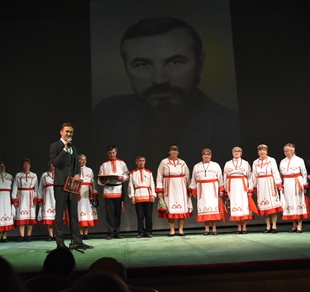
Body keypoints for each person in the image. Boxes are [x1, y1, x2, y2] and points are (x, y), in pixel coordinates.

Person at [93, 16, 240, 171]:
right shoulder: (106, 115)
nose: (159, 79)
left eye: (174, 62)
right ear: (126, 68)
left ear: (200, 64)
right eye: (143, 64)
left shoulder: (231, 129)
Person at [49, 123, 92, 250]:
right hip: (61, 183)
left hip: (72, 183)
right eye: (67, 131)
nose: (69, 134)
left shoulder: (74, 147)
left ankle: (77, 240)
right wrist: (64, 149)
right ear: (61, 132)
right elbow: (55, 162)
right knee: (60, 213)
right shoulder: (55, 146)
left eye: (71, 132)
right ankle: (60, 243)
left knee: (73, 213)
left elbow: (76, 165)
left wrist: (78, 174)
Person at [155, 144, 192, 237]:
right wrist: (159, 190)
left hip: (181, 188)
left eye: (175, 150)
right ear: (169, 152)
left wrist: (189, 188)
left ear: (178, 152)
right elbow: (159, 176)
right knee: (170, 208)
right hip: (169, 187)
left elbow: (187, 176)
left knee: (181, 209)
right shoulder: (164, 162)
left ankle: (181, 230)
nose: (174, 151)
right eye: (172, 150)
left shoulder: (182, 163)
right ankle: (172, 230)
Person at [98, 145, 130, 240]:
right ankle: (111, 233)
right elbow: (99, 179)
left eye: (113, 152)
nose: (112, 154)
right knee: (110, 213)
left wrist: (122, 178)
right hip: (108, 190)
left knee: (117, 212)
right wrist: (104, 180)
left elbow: (127, 175)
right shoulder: (104, 164)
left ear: (116, 152)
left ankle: (117, 232)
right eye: (110, 153)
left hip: (118, 189)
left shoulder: (122, 163)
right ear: (107, 153)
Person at [189, 148, 224, 235]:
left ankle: (214, 228)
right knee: (204, 208)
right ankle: (206, 228)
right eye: (205, 154)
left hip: (213, 189)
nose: (207, 156)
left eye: (208, 154)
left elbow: (221, 179)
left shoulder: (215, 165)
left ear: (211, 156)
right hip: (202, 190)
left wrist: (221, 189)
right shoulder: (196, 166)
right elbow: (193, 179)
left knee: (213, 208)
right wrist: (194, 191)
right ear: (202, 156)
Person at [250, 144, 283, 233]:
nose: (262, 152)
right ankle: (268, 226)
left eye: (264, 150)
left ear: (267, 151)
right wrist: (253, 187)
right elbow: (254, 175)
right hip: (261, 184)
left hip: (270, 183)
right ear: (258, 152)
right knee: (265, 205)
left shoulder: (271, 160)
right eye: (260, 150)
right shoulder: (255, 162)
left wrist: (278, 184)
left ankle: (274, 226)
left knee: (272, 204)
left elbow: (275, 172)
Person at [279, 143, 310, 233]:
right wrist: (280, 185)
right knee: (289, 202)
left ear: (293, 151)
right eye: (285, 151)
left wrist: (304, 185)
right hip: (287, 184)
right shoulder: (282, 161)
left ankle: (300, 225)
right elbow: (281, 174)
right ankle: (294, 224)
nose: (286, 152)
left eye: (288, 151)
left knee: (298, 202)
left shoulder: (299, 160)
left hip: (296, 183)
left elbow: (304, 173)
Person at [223, 147, 254, 234]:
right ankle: (239, 227)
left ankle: (244, 227)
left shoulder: (245, 163)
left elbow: (250, 177)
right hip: (232, 186)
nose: (236, 152)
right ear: (232, 153)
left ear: (241, 153)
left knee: (244, 205)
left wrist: (250, 188)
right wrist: (225, 189)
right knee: (234, 205)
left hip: (242, 186)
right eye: (235, 151)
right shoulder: (228, 163)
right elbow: (225, 177)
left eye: (238, 151)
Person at [127, 156, 156, 238]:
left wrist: (153, 194)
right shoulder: (133, 173)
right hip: (138, 195)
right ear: (136, 162)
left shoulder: (148, 172)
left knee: (148, 215)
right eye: (140, 161)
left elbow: (152, 184)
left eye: (143, 161)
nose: (142, 162)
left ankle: (149, 232)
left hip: (147, 195)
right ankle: (141, 232)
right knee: (140, 215)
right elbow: (130, 185)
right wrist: (132, 195)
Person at [11, 158, 38, 242]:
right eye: (24, 164)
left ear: (30, 165)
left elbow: (36, 188)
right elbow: (15, 187)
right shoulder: (18, 175)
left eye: (27, 164)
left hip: (30, 196)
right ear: (22, 166)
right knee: (21, 216)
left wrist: (35, 198)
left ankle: (29, 235)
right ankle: (21, 235)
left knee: (30, 216)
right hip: (21, 196)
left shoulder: (34, 175)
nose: (26, 166)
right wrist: (14, 199)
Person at [78, 154, 99, 239]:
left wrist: (94, 192)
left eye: (84, 160)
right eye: (81, 159)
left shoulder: (90, 170)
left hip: (88, 193)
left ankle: (86, 233)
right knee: (79, 211)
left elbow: (93, 183)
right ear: (78, 160)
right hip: (79, 193)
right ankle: (80, 233)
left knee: (88, 211)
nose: (83, 161)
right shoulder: (75, 170)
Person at [37, 161, 57, 241]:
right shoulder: (44, 175)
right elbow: (40, 188)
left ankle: (56, 235)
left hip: (56, 198)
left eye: (52, 164)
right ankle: (50, 235)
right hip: (47, 198)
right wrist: (40, 199)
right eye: (49, 164)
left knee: (56, 217)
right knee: (48, 217)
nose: (51, 165)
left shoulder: (59, 174)